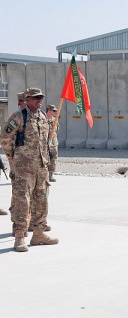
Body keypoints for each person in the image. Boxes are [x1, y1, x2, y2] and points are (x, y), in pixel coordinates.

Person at [0, 87, 59, 252]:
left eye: (40, 98)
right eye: (35, 98)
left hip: (41, 168)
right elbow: (5, 138)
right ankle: (19, 236)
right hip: (23, 169)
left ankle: (38, 233)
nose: (39, 101)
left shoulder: (42, 118)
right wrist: (14, 159)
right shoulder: (18, 116)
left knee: (41, 201)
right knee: (22, 202)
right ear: (26, 100)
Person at [46, 104, 59, 182]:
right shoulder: (43, 119)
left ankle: (51, 175)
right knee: (45, 159)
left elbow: (57, 130)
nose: (55, 112)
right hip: (45, 143)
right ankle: (44, 175)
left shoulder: (55, 120)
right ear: (49, 110)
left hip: (54, 143)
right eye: (53, 111)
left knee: (53, 159)